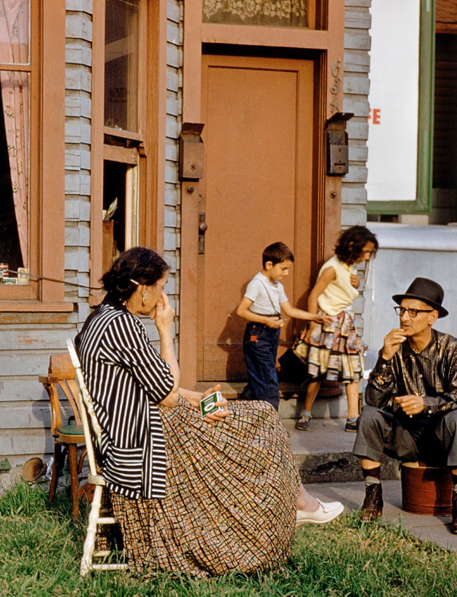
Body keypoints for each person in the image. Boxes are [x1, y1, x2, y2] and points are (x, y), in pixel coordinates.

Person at [76, 247, 343, 577]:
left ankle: (295, 499)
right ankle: (295, 503)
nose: (162, 296)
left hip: (139, 424)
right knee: (263, 416)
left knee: (253, 412)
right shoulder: (124, 327)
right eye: (160, 287)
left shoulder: (100, 319)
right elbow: (166, 391)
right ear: (143, 288)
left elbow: (156, 389)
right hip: (142, 438)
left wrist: (200, 398)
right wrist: (164, 331)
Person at [352, 277, 457, 534]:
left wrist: (425, 404)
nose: (405, 318)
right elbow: (374, 401)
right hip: (406, 437)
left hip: (442, 438)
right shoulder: (394, 349)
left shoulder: (454, 349)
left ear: (432, 317)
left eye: (413, 312)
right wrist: (384, 358)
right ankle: (373, 494)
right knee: (369, 415)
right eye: (402, 310)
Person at [293, 227, 379, 433]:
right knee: (318, 370)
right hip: (327, 322)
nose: (367, 257)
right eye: (365, 251)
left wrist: (356, 284)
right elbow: (314, 295)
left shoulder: (348, 268)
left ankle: (352, 418)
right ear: (352, 247)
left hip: (344, 324)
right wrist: (313, 324)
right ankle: (305, 413)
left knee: (352, 370)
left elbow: (342, 291)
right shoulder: (332, 267)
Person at [235, 242, 328, 408]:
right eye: (283, 269)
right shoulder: (257, 284)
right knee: (269, 382)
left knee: (260, 378)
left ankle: (239, 410)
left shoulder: (277, 286)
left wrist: (315, 317)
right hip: (258, 334)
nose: (286, 273)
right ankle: (273, 426)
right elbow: (241, 311)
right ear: (269, 264)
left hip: (271, 334)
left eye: (288, 270)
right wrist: (266, 320)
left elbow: (290, 310)